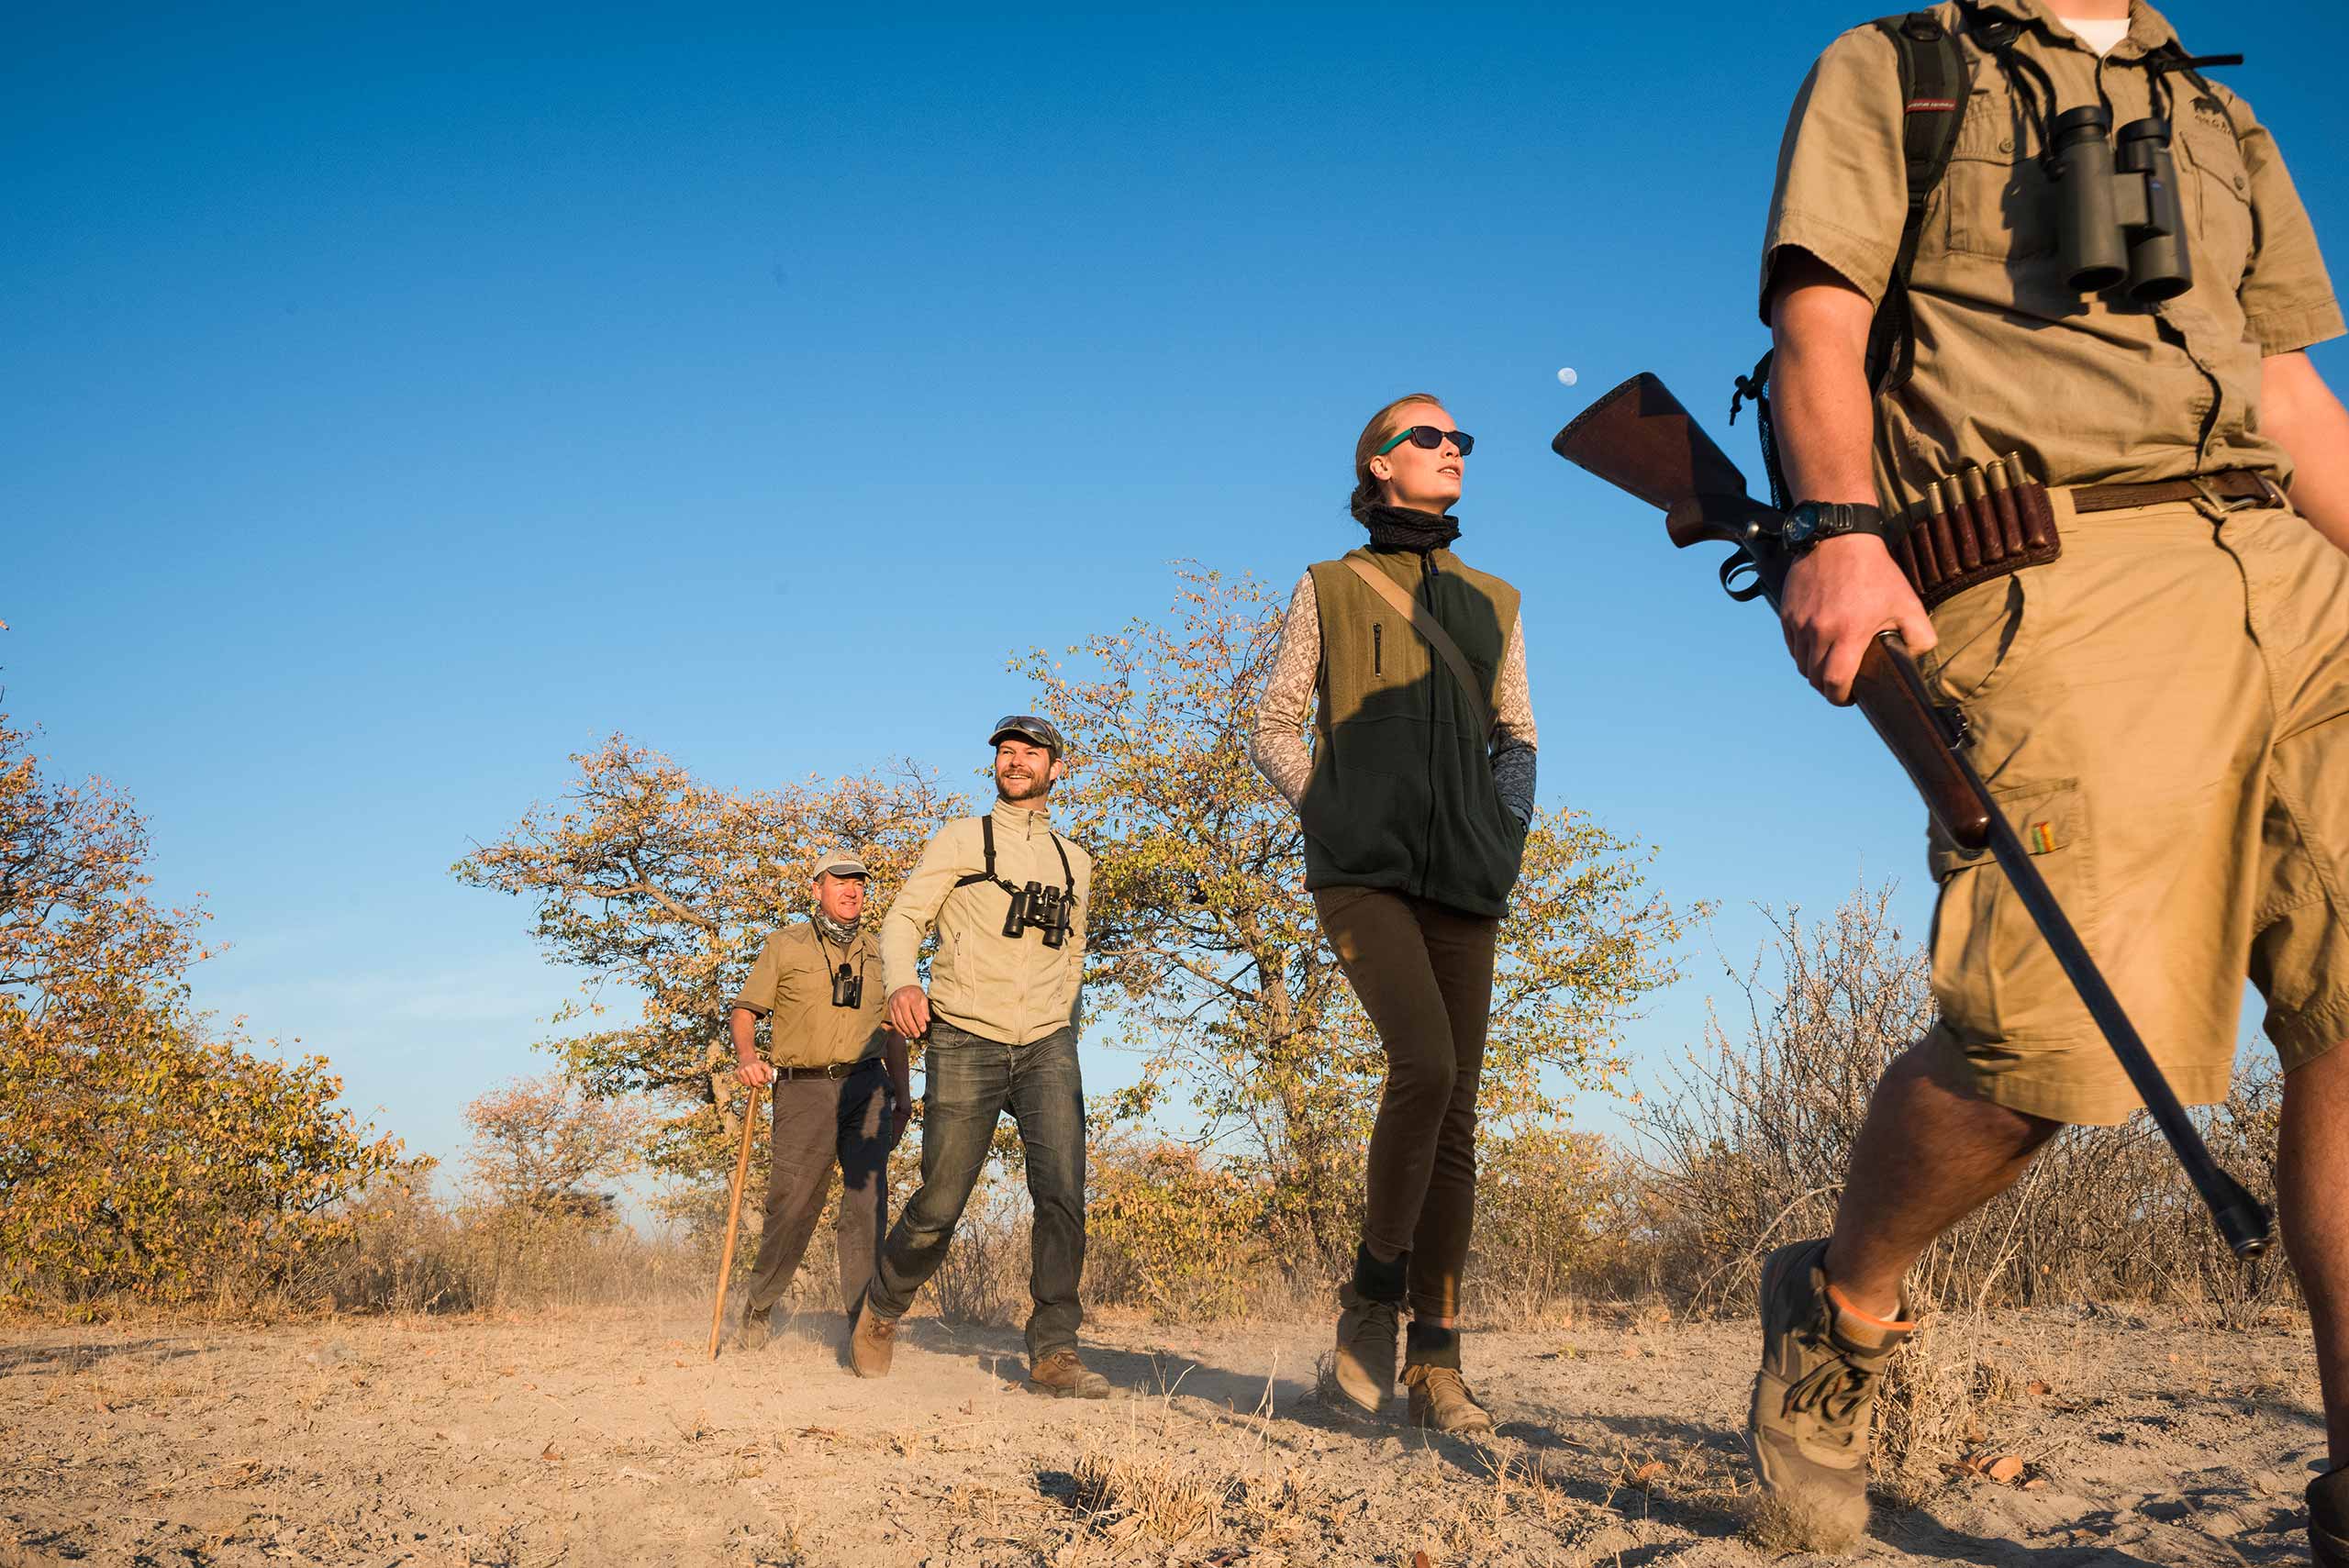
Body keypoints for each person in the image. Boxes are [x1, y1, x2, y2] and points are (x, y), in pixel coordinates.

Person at [1752, 1, 2349, 1554]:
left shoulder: (2219, 116)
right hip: (2063, 564)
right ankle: (1842, 1301)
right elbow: (1817, 324)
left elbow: (2289, 396)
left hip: (2289, 560)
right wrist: (1835, 529)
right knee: (2044, 1049)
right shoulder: (1896, 68)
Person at [1250, 395, 1539, 1434]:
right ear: (1377, 465)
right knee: (1424, 1063)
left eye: (1462, 437)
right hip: (1362, 874)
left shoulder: (1496, 598)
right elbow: (1271, 720)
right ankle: (1370, 1298)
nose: (1452, 448)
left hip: (1467, 876)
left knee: (1455, 1111)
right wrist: (1335, 810)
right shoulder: (1327, 585)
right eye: (1428, 436)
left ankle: (1437, 1361)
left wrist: (1502, 832)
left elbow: (1519, 735)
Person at [847, 716, 1108, 1398]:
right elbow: (904, 917)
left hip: (1049, 1041)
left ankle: (1055, 1350)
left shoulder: (1075, 861)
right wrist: (904, 979)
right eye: (1006, 751)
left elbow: (1074, 955)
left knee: (1063, 1194)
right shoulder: (963, 838)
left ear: (1058, 770)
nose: (1015, 760)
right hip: (966, 1033)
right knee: (940, 1199)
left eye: (1031, 752)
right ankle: (883, 1305)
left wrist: (1066, 1025)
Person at [728, 851, 910, 1348]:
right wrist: (747, 1057)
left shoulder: (880, 953)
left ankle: (862, 1326)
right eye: (840, 882)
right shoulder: (784, 945)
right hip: (803, 1087)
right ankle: (760, 1306)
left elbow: (894, 1032)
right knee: (793, 1204)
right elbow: (745, 1011)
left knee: (867, 1204)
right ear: (818, 889)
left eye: (858, 883)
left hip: (869, 1087)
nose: (851, 891)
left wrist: (904, 1099)